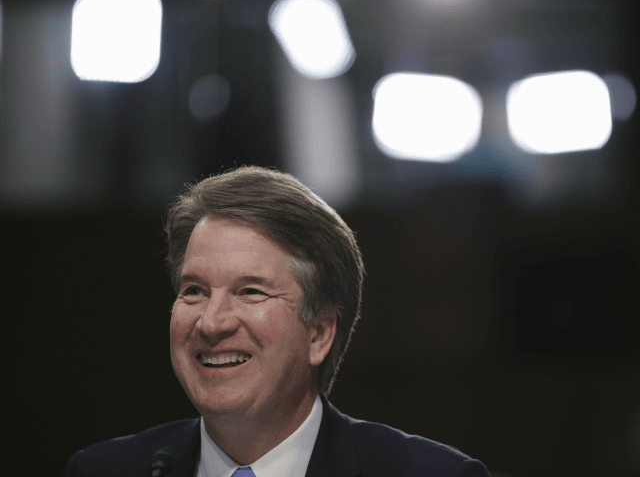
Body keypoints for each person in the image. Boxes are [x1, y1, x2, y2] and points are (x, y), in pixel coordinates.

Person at [63, 166, 490, 477]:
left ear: (319, 334)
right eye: (194, 291)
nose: (211, 323)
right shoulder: (101, 470)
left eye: (250, 291)